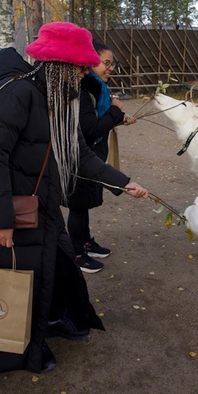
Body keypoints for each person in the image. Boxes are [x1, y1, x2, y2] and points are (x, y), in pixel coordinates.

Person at [0, 22, 149, 379]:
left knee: (53, 268)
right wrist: (0, 221)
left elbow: (81, 154)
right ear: (61, 65)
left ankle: (50, 324)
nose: (86, 73)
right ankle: (4, 352)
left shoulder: (58, 100)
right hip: (8, 212)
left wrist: (124, 182)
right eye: (81, 67)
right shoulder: (16, 95)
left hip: (42, 208)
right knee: (6, 283)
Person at [67, 40, 135, 273]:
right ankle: (76, 252)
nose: (110, 68)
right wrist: (115, 110)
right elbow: (91, 128)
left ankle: (85, 242)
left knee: (83, 203)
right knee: (77, 205)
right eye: (106, 63)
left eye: (112, 64)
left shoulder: (97, 89)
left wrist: (119, 116)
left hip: (90, 155)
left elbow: (99, 118)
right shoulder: (84, 90)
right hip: (79, 158)